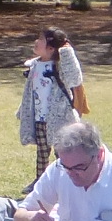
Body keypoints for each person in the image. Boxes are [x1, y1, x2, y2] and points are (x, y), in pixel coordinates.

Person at [16, 25, 87, 183]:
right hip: (40, 118)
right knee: (42, 152)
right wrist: (23, 110)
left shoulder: (60, 66)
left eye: (41, 39)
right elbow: (30, 93)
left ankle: (64, 180)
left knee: (61, 151)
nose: (36, 41)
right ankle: (41, 181)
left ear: (51, 47)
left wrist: (66, 50)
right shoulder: (34, 65)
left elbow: (75, 78)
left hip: (59, 117)